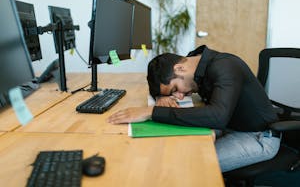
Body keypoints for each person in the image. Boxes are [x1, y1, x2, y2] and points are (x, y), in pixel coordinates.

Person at [107, 45, 281, 172]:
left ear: (180, 68)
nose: (180, 96)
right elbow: (162, 85)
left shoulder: (226, 66)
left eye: (175, 90)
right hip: (231, 125)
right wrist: (162, 97)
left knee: (189, 166)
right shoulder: (194, 61)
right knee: (172, 150)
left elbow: (218, 117)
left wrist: (152, 112)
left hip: (259, 136)